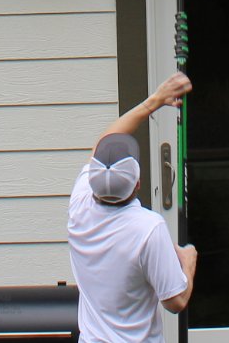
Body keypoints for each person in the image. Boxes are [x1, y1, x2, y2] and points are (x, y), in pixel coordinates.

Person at [67, 72, 198, 343]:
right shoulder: (147, 228)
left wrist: (154, 101)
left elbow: (105, 139)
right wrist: (188, 263)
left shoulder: (79, 206)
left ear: (92, 180)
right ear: (137, 184)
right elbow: (175, 301)